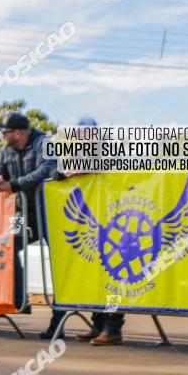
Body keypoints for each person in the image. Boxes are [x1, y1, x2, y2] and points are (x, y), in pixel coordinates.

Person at [0, 112, 60, 339]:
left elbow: (46, 171)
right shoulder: (5, 151)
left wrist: (14, 185)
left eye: (5, 132)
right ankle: (20, 300)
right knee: (7, 248)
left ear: (17, 133)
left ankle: (58, 319)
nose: (2, 135)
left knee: (58, 265)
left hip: (48, 211)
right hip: (20, 214)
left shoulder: (44, 142)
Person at [66, 117, 126, 346]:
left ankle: (113, 328)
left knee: (113, 279)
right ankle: (98, 325)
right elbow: (59, 173)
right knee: (96, 278)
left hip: (115, 224)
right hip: (94, 226)